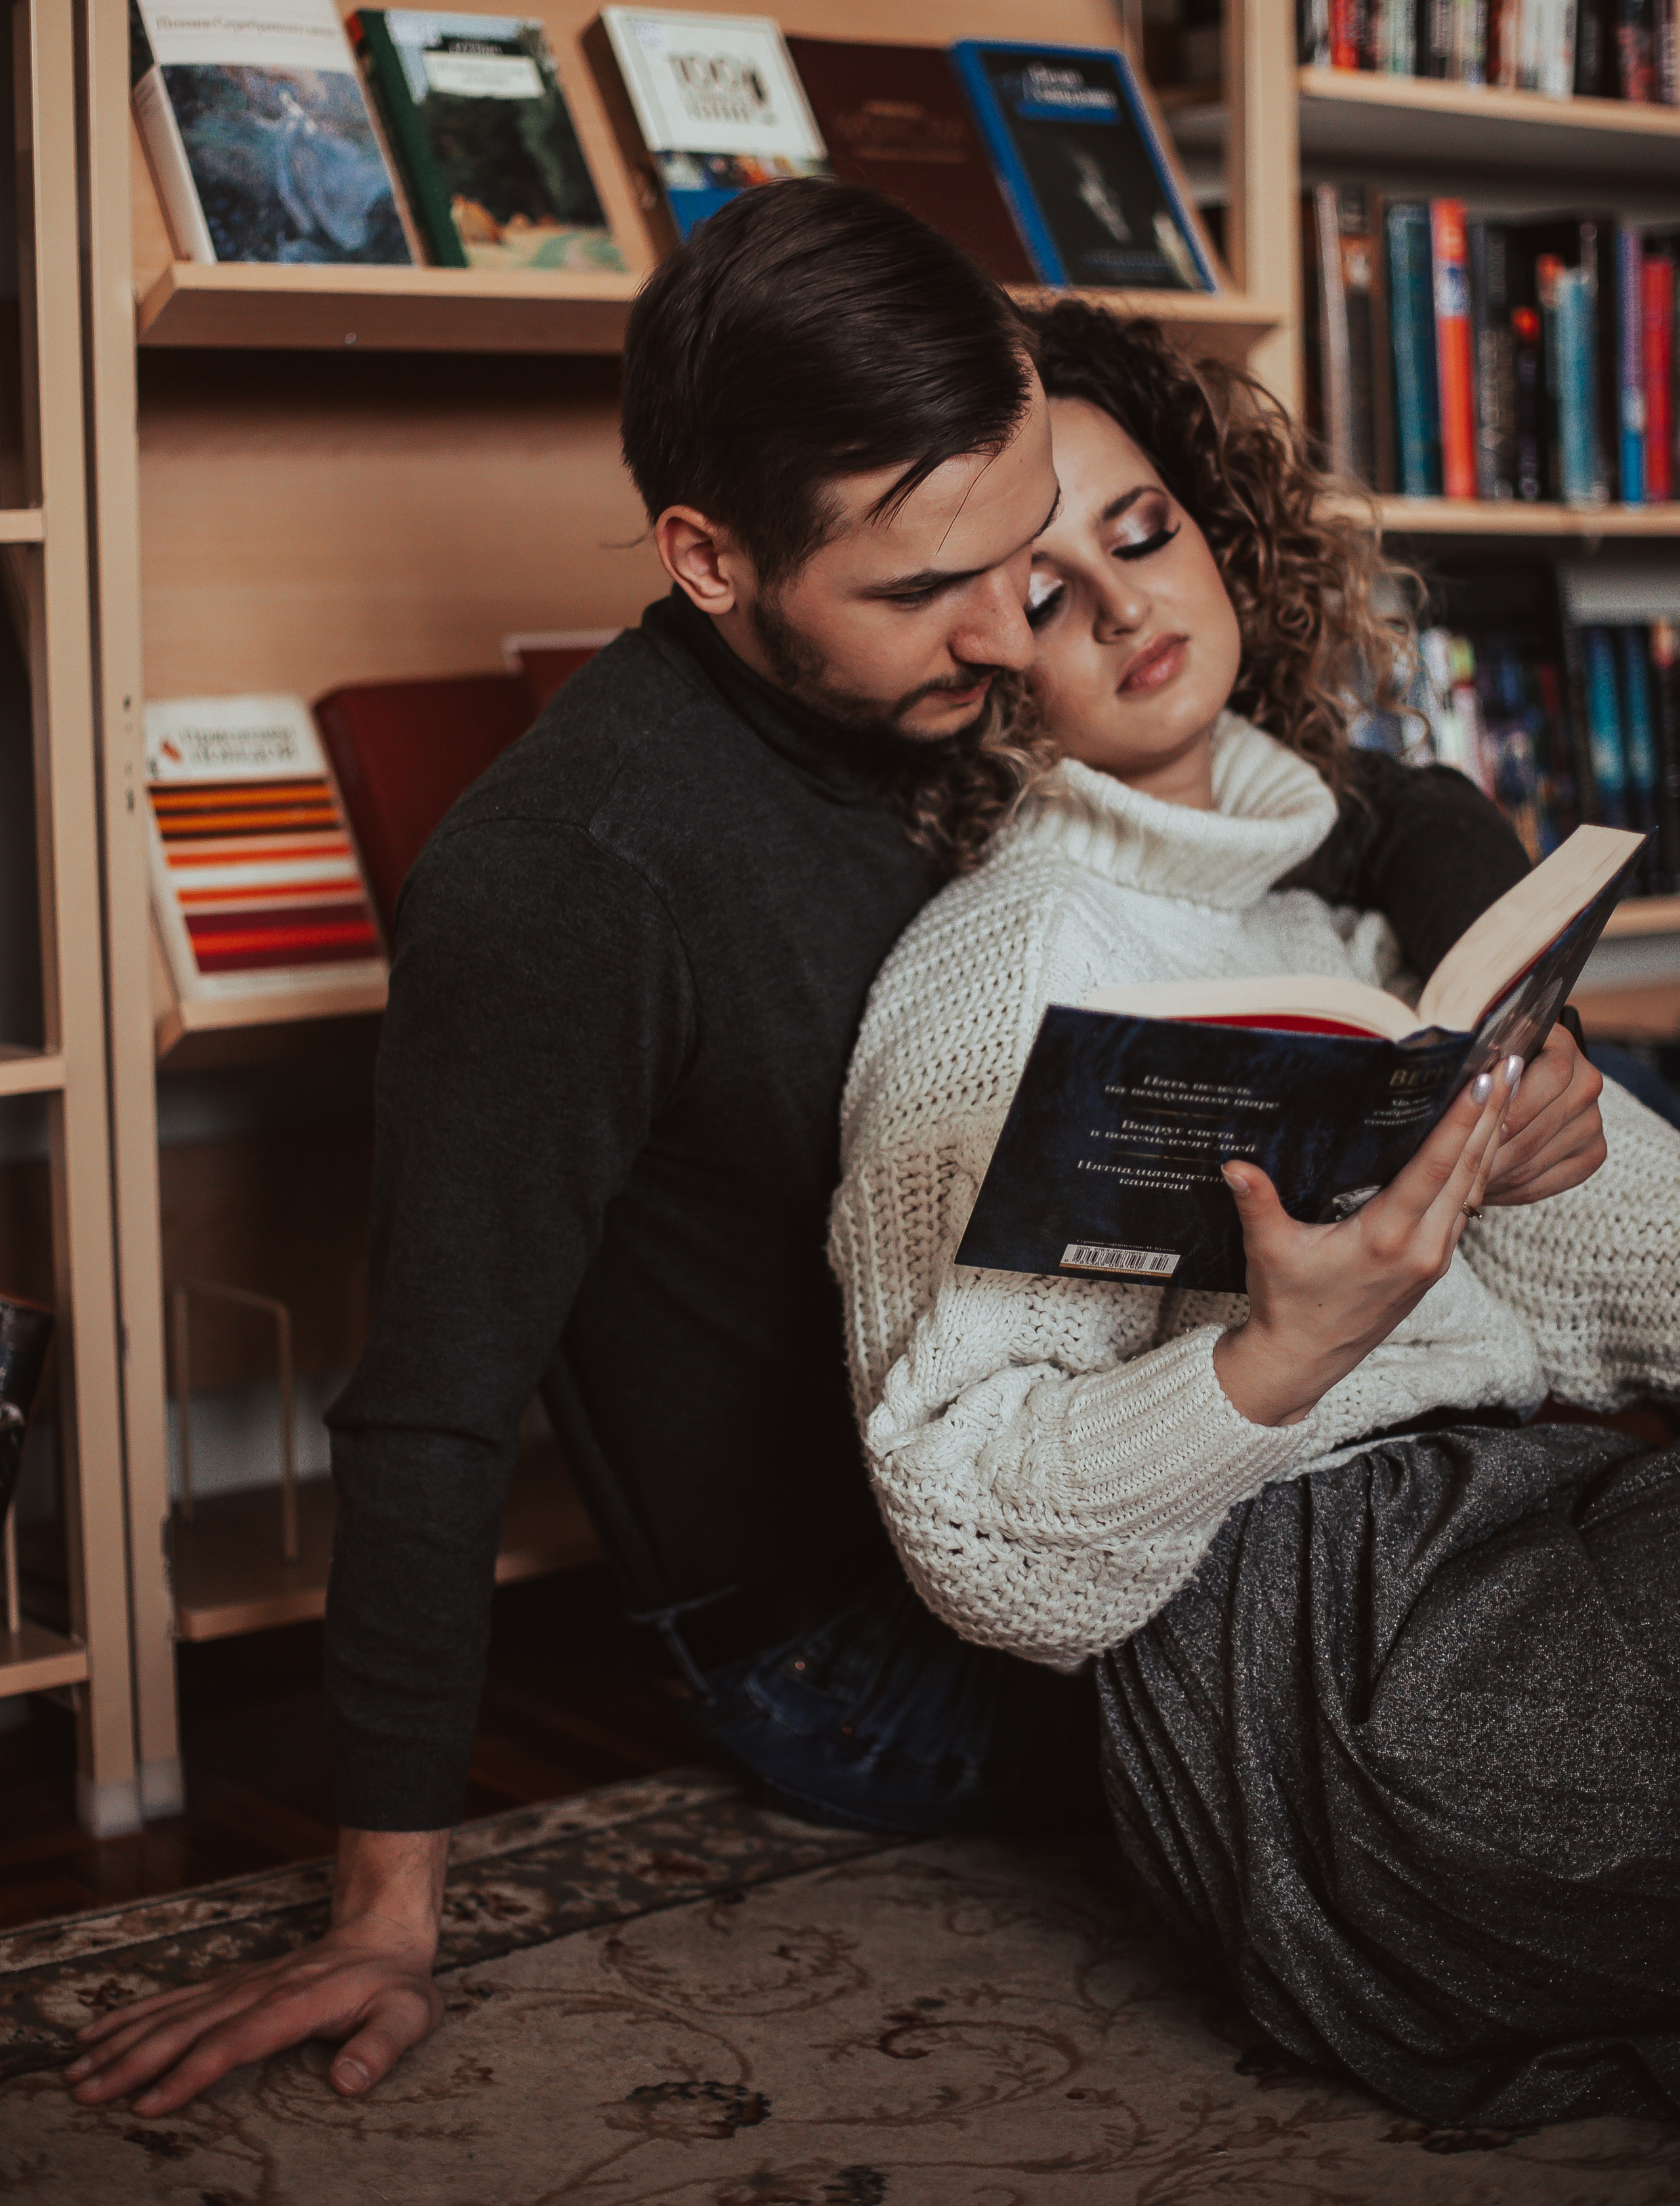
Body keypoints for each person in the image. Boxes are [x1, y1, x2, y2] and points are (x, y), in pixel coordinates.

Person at [66, 186, 1602, 2117]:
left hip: (1121, 1458)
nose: (1007, 627)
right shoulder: (567, 881)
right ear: (710, 559)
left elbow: (1371, 806)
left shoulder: (953, 685)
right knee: (1485, 1646)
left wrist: (1517, 1014)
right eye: (923, 589)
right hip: (872, 1639)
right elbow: (429, 1407)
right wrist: (382, 1909)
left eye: (1024, 551)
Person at [830, 294, 1680, 2129]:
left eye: (1140, 534)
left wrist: (1571, 1136)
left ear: (1218, 535)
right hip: (1338, 1673)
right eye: (1048, 591)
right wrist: (1277, 1356)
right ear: (978, 659)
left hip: (1541, 1519)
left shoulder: (1329, 925)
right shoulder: (1006, 966)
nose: (1131, 603)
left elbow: (1621, 1265)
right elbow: (969, 1532)